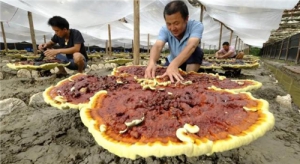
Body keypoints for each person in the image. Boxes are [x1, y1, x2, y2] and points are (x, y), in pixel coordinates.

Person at [145, 0, 204, 82]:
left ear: (186, 18)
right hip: (172, 60)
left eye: (176, 23)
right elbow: (158, 46)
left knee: (197, 52)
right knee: (161, 79)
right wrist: (152, 62)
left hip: (189, 60)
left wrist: (174, 65)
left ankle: (190, 77)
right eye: (168, 24)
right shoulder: (165, 29)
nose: (172, 28)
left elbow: (191, 46)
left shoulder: (196, 26)